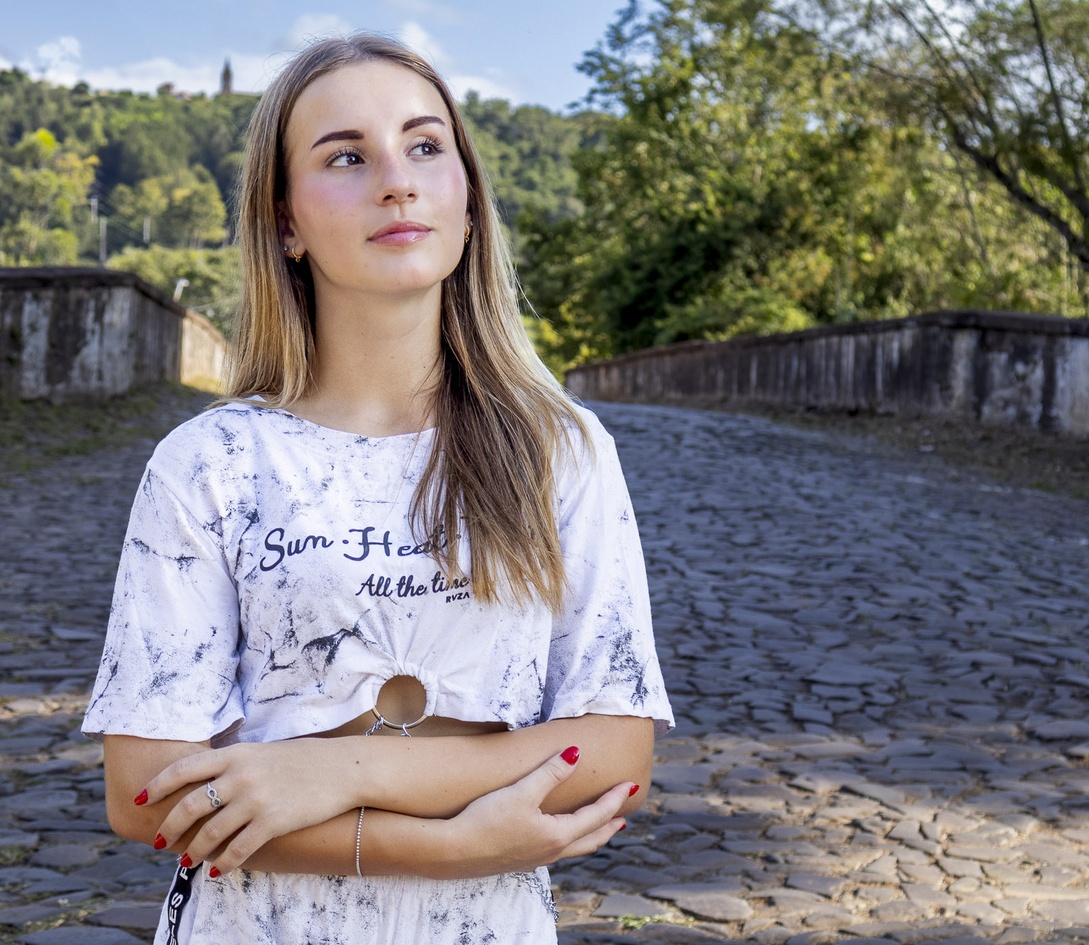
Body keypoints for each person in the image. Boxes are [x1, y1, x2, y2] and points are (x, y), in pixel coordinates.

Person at [81, 32, 672, 944]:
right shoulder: (212, 462)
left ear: (467, 201)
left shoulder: (559, 448)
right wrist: (445, 845)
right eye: (347, 157)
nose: (397, 181)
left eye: (425, 146)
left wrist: (336, 772)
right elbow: (144, 792)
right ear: (285, 222)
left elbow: (612, 752)